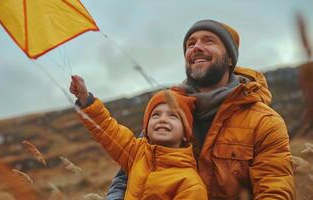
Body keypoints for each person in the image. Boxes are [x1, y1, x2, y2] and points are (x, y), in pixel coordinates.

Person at [107, 19, 295, 200]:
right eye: (190, 44)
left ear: (230, 58)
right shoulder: (169, 110)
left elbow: (275, 190)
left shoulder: (265, 122)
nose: (196, 47)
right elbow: (127, 175)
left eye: (209, 41)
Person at [70, 75, 208, 199]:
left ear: (186, 133)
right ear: (146, 129)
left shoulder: (190, 184)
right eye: (156, 115)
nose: (163, 119)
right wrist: (85, 99)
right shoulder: (136, 152)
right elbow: (106, 128)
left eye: (173, 115)